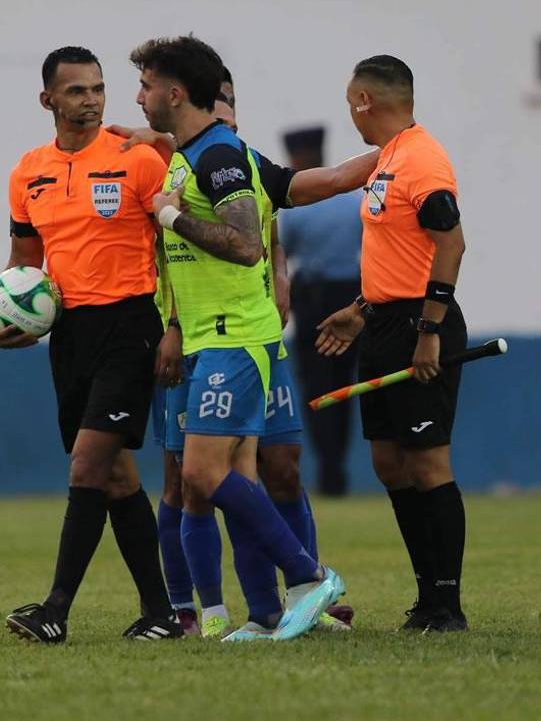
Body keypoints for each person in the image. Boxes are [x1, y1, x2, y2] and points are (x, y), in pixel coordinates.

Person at [113, 71, 364, 637]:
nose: (226, 111)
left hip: (249, 338)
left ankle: (287, 598)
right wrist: (172, 324)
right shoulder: (183, 158)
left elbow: (270, 234)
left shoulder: (235, 161)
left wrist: (395, 151)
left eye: (231, 100)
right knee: (190, 480)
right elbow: (171, 254)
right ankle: (211, 609)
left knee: (272, 468)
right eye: (218, 100)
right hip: (202, 337)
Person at [0, 46, 179, 644]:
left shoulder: (138, 160)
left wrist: (172, 327)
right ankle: (162, 614)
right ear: (48, 100)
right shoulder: (27, 172)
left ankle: (55, 609)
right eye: (75, 92)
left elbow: (175, 253)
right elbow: (22, 265)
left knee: (88, 464)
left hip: (130, 325)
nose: (90, 101)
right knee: (115, 477)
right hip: (68, 336)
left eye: (96, 89)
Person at [315, 55, 471, 632]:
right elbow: (397, 250)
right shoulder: (388, 157)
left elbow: (451, 245)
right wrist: (360, 310)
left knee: (429, 464)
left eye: (349, 101)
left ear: (364, 101)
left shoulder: (423, 160)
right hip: (382, 324)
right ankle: (426, 594)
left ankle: (446, 604)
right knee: (388, 462)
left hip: (419, 326)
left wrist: (429, 331)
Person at [278, 126, 363, 496]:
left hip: (311, 298)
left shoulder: (297, 208)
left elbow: (286, 251)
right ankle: (337, 468)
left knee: (316, 384)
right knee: (344, 384)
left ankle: (326, 468)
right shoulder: (352, 201)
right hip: (350, 295)